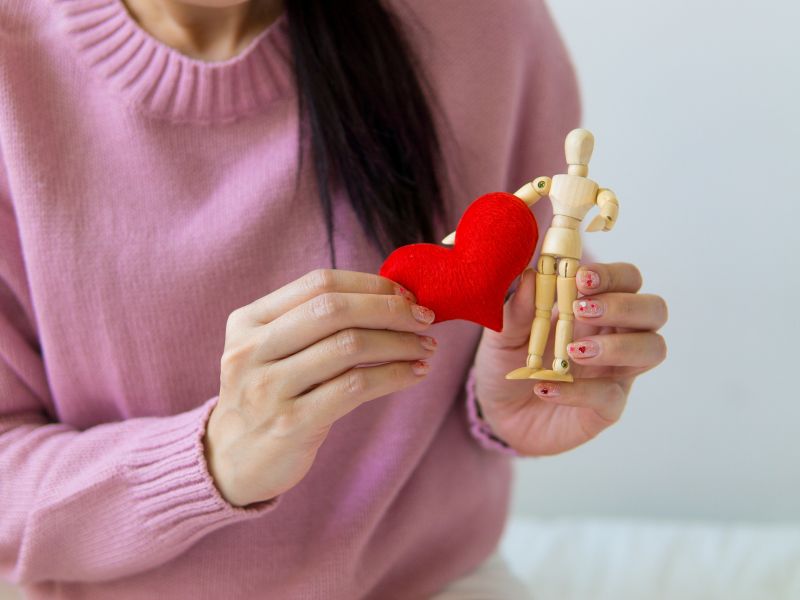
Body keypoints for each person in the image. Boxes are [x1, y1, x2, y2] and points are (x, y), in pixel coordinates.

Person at [0, 0, 668, 597]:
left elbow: (517, 282)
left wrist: (505, 401)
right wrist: (213, 458)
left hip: (430, 583)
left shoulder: (487, 22)